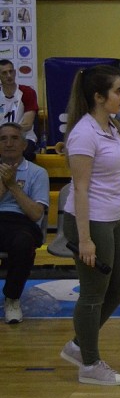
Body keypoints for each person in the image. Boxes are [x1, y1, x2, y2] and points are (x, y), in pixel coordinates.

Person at [59, 65, 120, 385]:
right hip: (89, 222)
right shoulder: (84, 133)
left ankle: (80, 345)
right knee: (94, 293)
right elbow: (80, 188)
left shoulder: (112, 126)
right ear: (98, 96)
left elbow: (111, 180)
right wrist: (84, 240)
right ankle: (90, 365)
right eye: (118, 91)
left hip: (112, 219)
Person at [0, 122, 49, 324]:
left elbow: (36, 214)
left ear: (24, 145)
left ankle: (12, 299)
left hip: (22, 223)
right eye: (3, 138)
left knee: (23, 244)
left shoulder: (38, 173)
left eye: (14, 138)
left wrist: (14, 186)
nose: (9, 143)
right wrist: (4, 184)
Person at [0, 59, 39, 160]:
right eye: (4, 73)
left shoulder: (27, 92)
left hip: (24, 137)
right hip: (1, 138)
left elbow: (27, 124)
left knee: (26, 153)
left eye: (11, 71)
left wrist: (9, 134)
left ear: (15, 72)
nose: (9, 75)